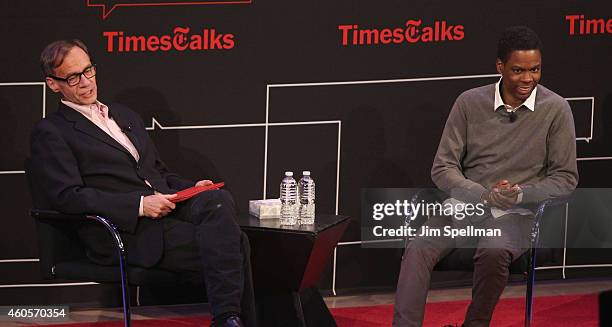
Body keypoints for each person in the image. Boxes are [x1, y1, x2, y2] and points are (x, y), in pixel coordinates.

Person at [29, 39, 255, 327]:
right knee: (237, 242)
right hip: (126, 229)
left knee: (216, 199)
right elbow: (67, 196)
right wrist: (138, 205)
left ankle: (228, 319)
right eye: (73, 77)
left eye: (89, 71)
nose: (86, 82)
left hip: (166, 209)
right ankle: (229, 319)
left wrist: (192, 187)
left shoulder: (124, 115)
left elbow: (156, 172)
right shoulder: (52, 132)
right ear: (53, 84)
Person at [392, 26, 578, 327]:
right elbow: (442, 168)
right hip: (466, 206)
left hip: (517, 213)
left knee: (492, 251)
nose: (528, 79)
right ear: (500, 66)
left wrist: (520, 193)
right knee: (418, 248)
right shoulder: (469, 103)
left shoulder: (556, 109)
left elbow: (565, 178)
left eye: (535, 70)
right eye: (518, 70)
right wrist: (481, 194)